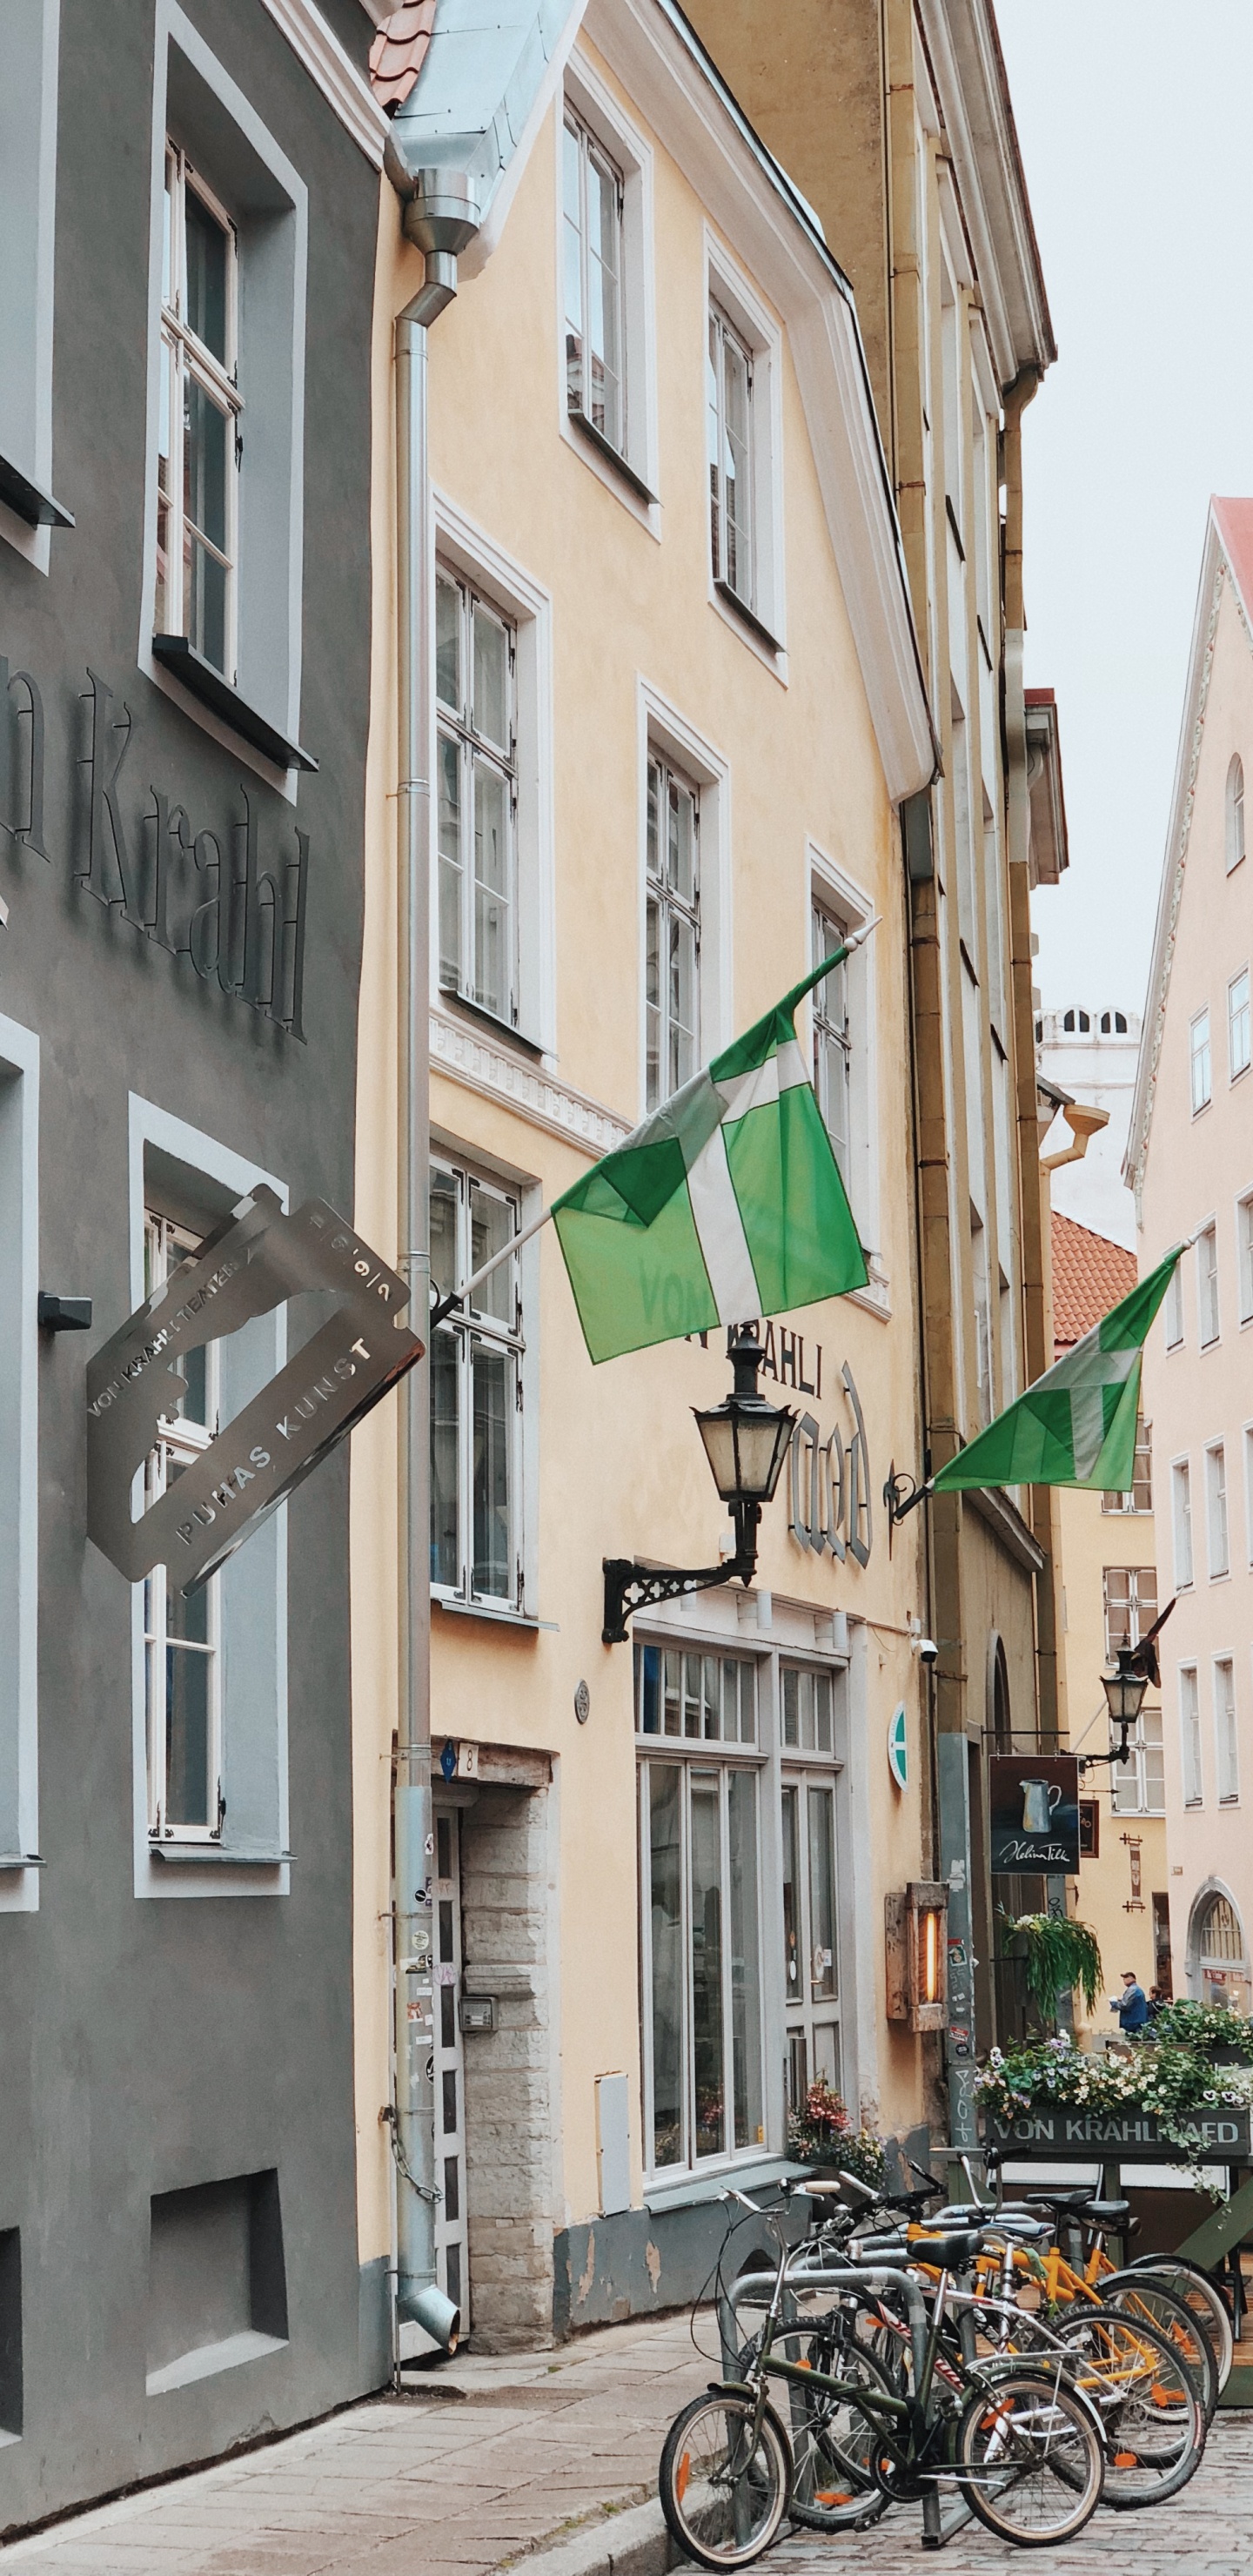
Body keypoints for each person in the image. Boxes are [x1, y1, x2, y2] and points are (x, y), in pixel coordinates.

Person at [1109, 1969, 1149, 2034]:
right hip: (1137, 2021)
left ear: (1132, 1979)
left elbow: (1124, 2005)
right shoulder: (1136, 1989)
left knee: (1132, 2041)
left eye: (1126, 1978)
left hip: (1133, 2022)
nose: (1124, 1980)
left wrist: (1114, 2003)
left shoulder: (1132, 1990)